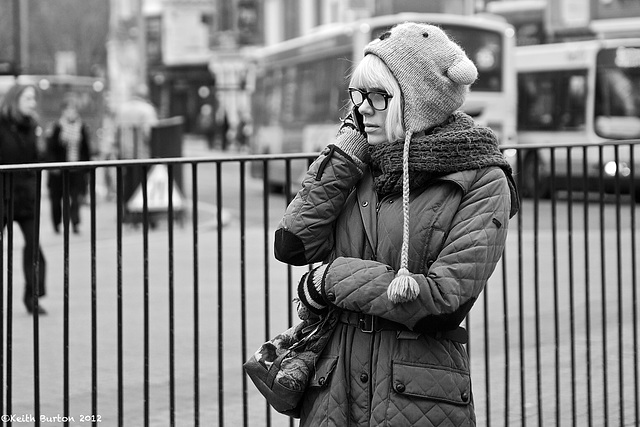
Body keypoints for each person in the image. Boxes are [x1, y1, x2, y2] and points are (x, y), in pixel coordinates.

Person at [273, 22, 519, 426]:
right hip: (334, 395)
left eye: (378, 96)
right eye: (358, 96)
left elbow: (442, 302)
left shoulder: (482, 178)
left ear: (417, 101)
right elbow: (293, 244)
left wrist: (332, 279)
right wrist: (343, 155)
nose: (362, 109)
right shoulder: (361, 162)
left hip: (415, 398)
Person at [0, 83, 48, 315]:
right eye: (28, 98)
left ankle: (32, 296)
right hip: (2, 193)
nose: (33, 102)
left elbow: (38, 158)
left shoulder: (32, 126)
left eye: (34, 98)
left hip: (26, 196)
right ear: (15, 99)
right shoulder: (1, 124)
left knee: (33, 247)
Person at [46, 95, 91, 234]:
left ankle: (75, 223)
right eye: (69, 109)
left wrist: (86, 168)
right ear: (63, 111)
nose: (71, 112)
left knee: (75, 197)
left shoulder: (81, 127)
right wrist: (53, 166)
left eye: (74, 110)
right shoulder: (56, 127)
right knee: (56, 198)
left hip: (76, 169)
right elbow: (50, 149)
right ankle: (57, 223)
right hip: (59, 170)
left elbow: (86, 149)